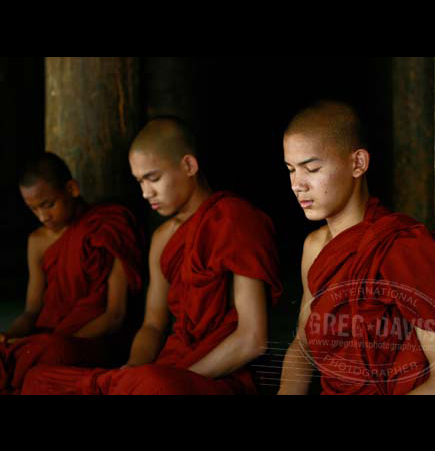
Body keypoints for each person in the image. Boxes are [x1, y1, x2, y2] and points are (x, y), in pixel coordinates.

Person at [23, 117, 282, 395]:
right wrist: (133, 368)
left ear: (188, 166)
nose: (146, 193)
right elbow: (153, 324)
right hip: (167, 368)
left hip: (217, 375)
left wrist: (173, 379)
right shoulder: (162, 239)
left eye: (153, 178)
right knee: (38, 379)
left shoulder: (234, 219)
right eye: (139, 182)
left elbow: (252, 339)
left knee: (155, 386)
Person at [278, 100, 435, 396]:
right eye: (291, 169)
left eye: (312, 168)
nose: (297, 184)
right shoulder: (313, 247)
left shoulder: (402, 248)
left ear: (358, 163)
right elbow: (303, 344)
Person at [0, 153, 144, 395]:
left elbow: (115, 315)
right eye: (33, 209)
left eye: (48, 205)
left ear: (72, 189)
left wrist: (61, 343)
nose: (43, 216)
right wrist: (9, 337)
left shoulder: (108, 227)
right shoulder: (37, 241)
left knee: (40, 359)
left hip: (92, 342)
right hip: (47, 341)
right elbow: (32, 310)